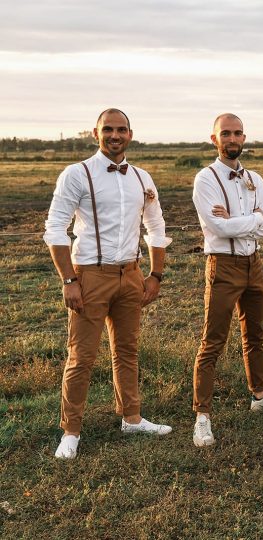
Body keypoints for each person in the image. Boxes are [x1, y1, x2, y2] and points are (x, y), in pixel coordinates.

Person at [44, 108, 172, 459]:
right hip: (89, 274)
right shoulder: (77, 173)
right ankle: (71, 431)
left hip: (130, 275)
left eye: (121, 130)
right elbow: (56, 228)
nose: (115, 135)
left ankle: (131, 418)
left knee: (127, 351)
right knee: (82, 357)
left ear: (131, 134)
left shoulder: (142, 178)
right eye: (108, 129)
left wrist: (155, 275)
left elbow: (156, 228)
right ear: (95, 133)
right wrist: (69, 279)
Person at [190, 113, 263, 448]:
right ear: (214, 139)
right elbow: (218, 228)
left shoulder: (255, 179)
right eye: (225, 134)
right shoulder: (205, 179)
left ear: (244, 138)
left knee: (255, 333)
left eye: (237, 134)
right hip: (223, 264)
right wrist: (252, 219)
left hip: (253, 262)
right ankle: (202, 416)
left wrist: (238, 219)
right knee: (213, 341)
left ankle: (260, 396)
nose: (232, 139)